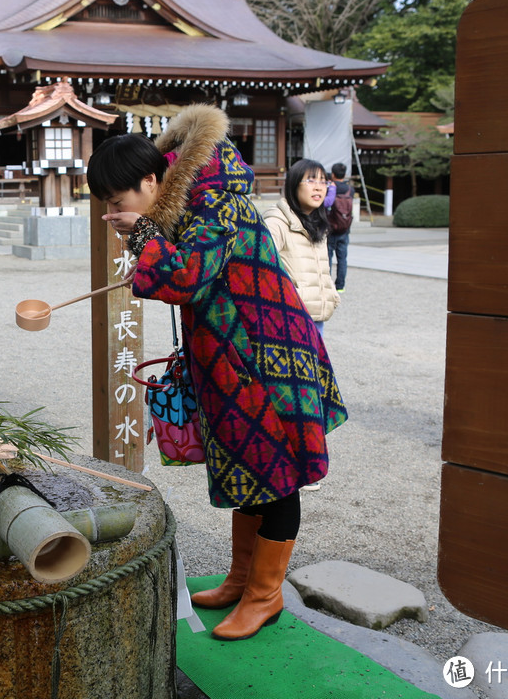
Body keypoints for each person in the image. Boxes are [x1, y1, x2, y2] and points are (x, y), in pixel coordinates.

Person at [87, 105, 347, 641]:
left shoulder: (215, 203)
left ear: (151, 181)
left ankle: (265, 595)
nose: (112, 213)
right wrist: (146, 230)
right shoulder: (192, 202)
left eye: (118, 202)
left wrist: (141, 235)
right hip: (235, 358)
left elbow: (184, 277)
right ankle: (240, 579)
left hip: (269, 357)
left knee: (277, 474)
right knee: (246, 464)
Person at [262, 159, 340, 336]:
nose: (319, 187)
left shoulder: (318, 225)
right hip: (289, 321)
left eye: (323, 181)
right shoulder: (276, 223)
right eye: (311, 181)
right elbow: (261, 272)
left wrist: (331, 294)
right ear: (294, 185)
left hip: (316, 318)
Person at [323, 162, 353, 293]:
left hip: (330, 227)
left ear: (333, 174)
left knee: (328, 257)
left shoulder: (330, 188)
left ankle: (328, 285)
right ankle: (340, 286)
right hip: (345, 228)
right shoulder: (350, 190)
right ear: (344, 174)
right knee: (342, 259)